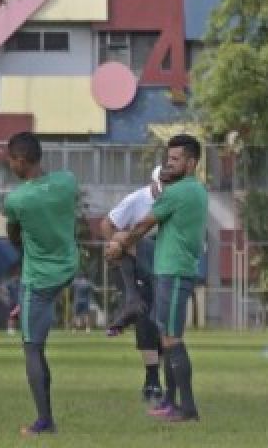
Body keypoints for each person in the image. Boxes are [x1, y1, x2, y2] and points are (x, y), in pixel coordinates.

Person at [111, 134, 208, 423]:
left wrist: (119, 244)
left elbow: (143, 225)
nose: (169, 164)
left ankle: (187, 409)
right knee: (166, 339)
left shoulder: (179, 192)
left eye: (176, 159)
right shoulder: (192, 191)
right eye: (168, 158)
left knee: (172, 339)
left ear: (191, 163)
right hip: (169, 270)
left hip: (175, 272)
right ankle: (169, 402)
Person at [3, 131, 79, 437]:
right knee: (36, 339)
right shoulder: (67, 181)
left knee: (32, 349)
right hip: (68, 266)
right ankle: (46, 419)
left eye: (10, 160)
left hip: (40, 278)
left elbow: (13, 236)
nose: (9, 165)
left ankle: (44, 422)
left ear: (21, 160)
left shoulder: (17, 199)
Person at [100, 164, 167, 403]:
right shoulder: (137, 199)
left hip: (165, 265)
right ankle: (153, 381)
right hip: (140, 265)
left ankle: (158, 380)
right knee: (145, 319)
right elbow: (107, 224)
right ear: (154, 183)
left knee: (161, 323)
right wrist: (115, 245)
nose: (166, 189)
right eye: (163, 185)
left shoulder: (179, 200)